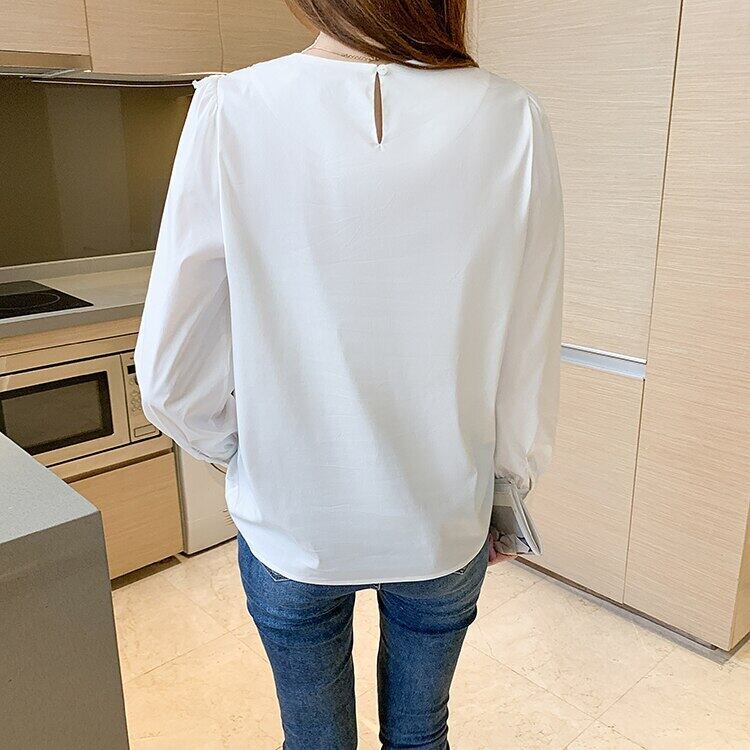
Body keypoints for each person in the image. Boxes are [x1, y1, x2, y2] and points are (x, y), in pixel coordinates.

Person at [134, 0, 565, 746]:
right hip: (443, 516)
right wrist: (506, 484)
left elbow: (170, 375)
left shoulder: (231, 110)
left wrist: (243, 454)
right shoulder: (514, 119)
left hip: (292, 521)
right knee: (421, 736)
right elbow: (528, 346)